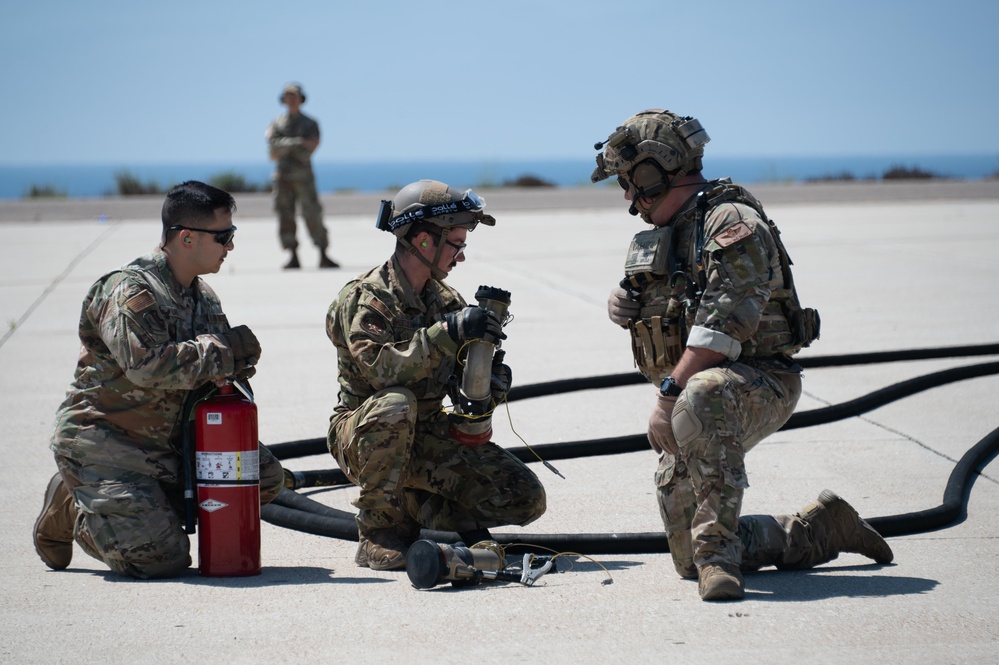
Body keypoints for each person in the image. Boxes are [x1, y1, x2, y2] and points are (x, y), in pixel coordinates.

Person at [592, 109, 893, 601]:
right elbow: (664, 311)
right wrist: (620, 304)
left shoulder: (731, 222)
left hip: (760, 379)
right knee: (682, 556)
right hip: (697, 396)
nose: (628, 197)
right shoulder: (669, 233)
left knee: (702, 394)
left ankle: (720, 560)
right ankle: (819, 531)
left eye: (630, 182)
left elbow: (723, 326)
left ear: (654, 172)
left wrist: (668, 396)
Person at [32, 180, 285, 579]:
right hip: (108, 441)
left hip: (169, 443)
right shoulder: (127, 290)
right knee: (159, 557)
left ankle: (133, 503)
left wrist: (236, 359)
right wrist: (223, 351)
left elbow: (209, 370)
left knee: (265, 479)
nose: (230, 246)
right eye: (224, 236)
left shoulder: (204, 298)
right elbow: (146, 366)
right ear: (186, 238)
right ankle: (76, 507)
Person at [325, 179, 546, 571]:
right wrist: (447, 334)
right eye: (457, 244)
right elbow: (380, 371)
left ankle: (420, 505)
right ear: (425, 241)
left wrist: (490, 383)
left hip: (425, 430)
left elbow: (462, 382)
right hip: (366, 432)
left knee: (523, 496)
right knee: (396, 404)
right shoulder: (366, 298)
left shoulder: (446, 301)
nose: (460, 257)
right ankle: (377, 532)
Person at [265, 82, 338, 270]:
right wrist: (297, 143)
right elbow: (272, 148)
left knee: (312, 213)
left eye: (294, 96)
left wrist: (286, 146)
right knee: (285, 215)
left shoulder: (310, 124)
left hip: (303, 177)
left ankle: (322, 252)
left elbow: (310, 147)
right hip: (283, 177)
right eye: (287, 96)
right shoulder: (276, 123)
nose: (291, 100)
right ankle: (292, 254)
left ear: (301, 99)